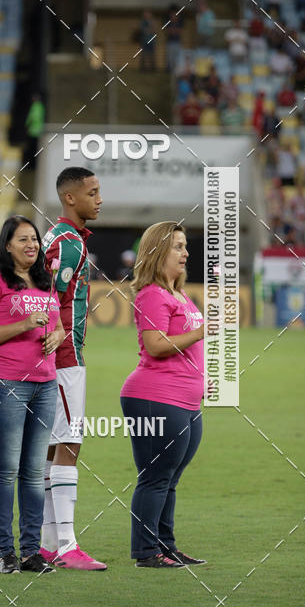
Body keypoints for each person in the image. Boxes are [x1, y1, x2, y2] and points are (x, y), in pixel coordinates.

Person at [0, 216, 65, 574]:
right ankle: (5, 552)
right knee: (6, 469)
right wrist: (25, 324)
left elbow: (58, 325)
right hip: (7, 384)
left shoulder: (46, 282)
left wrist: (57, 336)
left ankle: (31, 552)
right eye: (23, 239)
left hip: (45, 384)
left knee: (32, 472)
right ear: (7, 245)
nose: (32, 245)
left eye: (35, 240)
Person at [120, 222, 206, 568]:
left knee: (169, 478)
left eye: (185, 246)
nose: (186, 253)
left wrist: (202, 379)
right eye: (178, 247)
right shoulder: (152, 294)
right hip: (155, 397)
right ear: (158, 252)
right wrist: (202, 331)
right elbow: (156, 346)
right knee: (155, 477)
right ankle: (145, 552)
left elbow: (185, 350)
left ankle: (165, 546)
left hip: (184, 399)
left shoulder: (179, 295)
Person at [39, 167, 107, 570]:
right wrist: (58, 339)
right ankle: (66, 545)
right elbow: (47, 296)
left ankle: (49, 543)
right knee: (69, 444)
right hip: (64, 358)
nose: (100, 199)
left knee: (53, 449)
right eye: (93, 193)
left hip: (55, 357)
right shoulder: (69, 244)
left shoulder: (63, 239)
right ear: (70, 198)